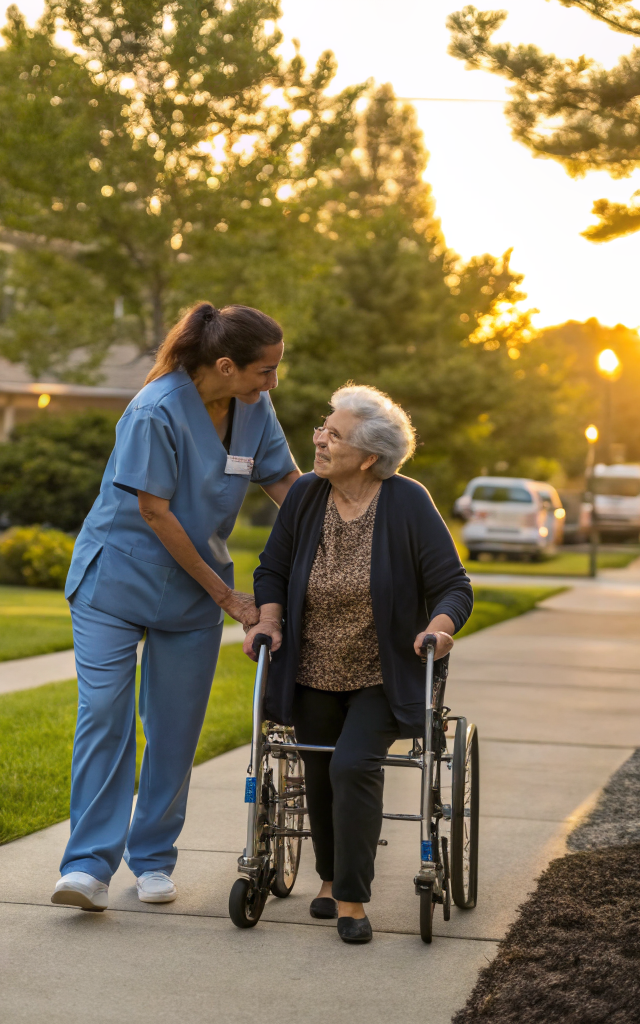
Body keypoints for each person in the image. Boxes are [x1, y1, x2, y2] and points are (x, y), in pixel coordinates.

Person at [51, 302, 301, 911]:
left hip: (191, 591)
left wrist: (353, 518)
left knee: (173, 726)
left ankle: (154, 857)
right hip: (116, 582)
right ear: (225, 365)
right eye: (265, 371)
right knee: (105, 715)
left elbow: (286, 484)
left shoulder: (253, 407)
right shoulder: (155, 410)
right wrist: (228, 598)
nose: (274, 382)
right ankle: (86, 868)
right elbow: (154, 512)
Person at [245, 384, 473, 944]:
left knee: (351, 765)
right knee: (319, 770)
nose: (318, 438)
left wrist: (438, 632)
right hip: (312, 669)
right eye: (324, 426)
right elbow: (271, 569)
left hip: (381, 674)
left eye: (334, 434)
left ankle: (351, 899)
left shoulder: (407, 502)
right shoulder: (304, 496)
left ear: (369, 457)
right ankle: (326, 879)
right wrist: (268, 621)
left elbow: (453, 586)